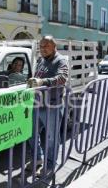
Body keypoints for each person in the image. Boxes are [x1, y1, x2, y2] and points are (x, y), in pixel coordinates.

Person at [27, 35, 69, 174]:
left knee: (51, 138)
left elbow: (62, 78)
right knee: (31, 134)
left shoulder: (60, 60)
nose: (42, 49)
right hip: (37, 104)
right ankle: (37, 159)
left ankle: (50, 166)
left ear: (54, 46)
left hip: (52, 106)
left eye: (46, 46)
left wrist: (43, 82)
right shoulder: (41, 60)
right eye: (41, 46)